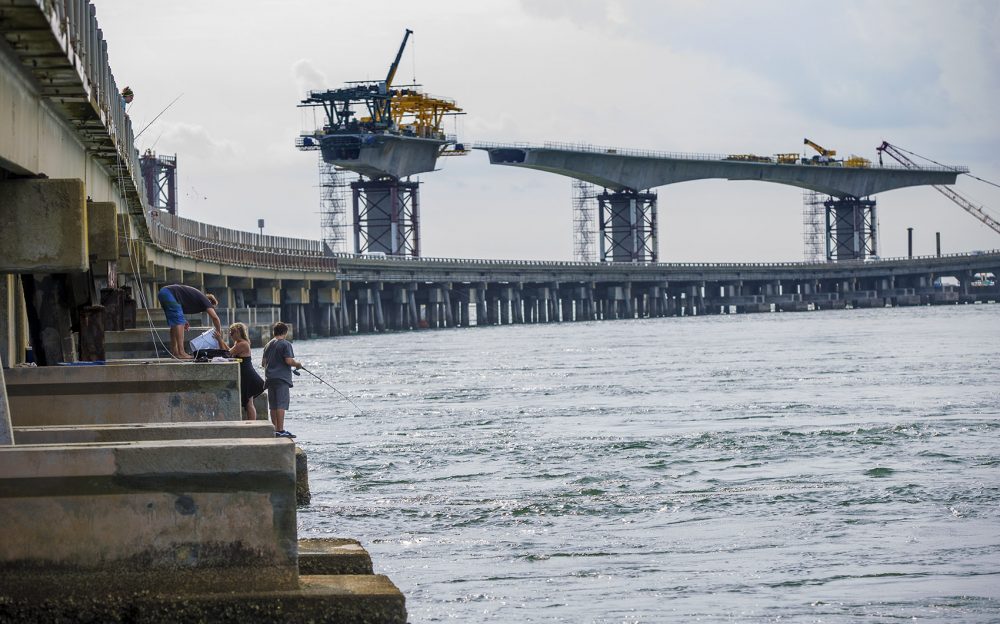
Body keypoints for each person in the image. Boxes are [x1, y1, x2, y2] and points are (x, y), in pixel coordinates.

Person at [156, 284, 223, 359]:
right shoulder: (206, 301)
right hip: (169, 294)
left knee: (175, 324)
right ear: (210, 302)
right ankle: (181, 352)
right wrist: (219, 333)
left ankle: (175, 353)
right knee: (179, 323)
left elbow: (178, 313)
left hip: (163, 293)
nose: (210, 309)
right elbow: (215, 318)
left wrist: (184, 321)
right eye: (212, 308)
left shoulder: (197, 300)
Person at [262, 321, 302, 438]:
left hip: (270, 378)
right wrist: (297, 364)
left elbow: (263, 363)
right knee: (281, 404)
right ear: (285, 332)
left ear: (274, 332)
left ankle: (275, 430)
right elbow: (288, 361)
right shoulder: (286, 344)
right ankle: (280, 429)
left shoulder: (268, 345)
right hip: (282, 379)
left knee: (273, 405)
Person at [223, 322, 265, 420]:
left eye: (232, 332)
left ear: (238, 333)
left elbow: (228, 354)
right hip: (245, 374)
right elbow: (229, 351)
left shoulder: (242, 344)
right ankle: (251, 423)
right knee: (248, 402)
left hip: (248, 375)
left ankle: (252, 424)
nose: (230, 334)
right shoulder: (239, 343)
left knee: (249, 402)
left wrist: (219, 340)